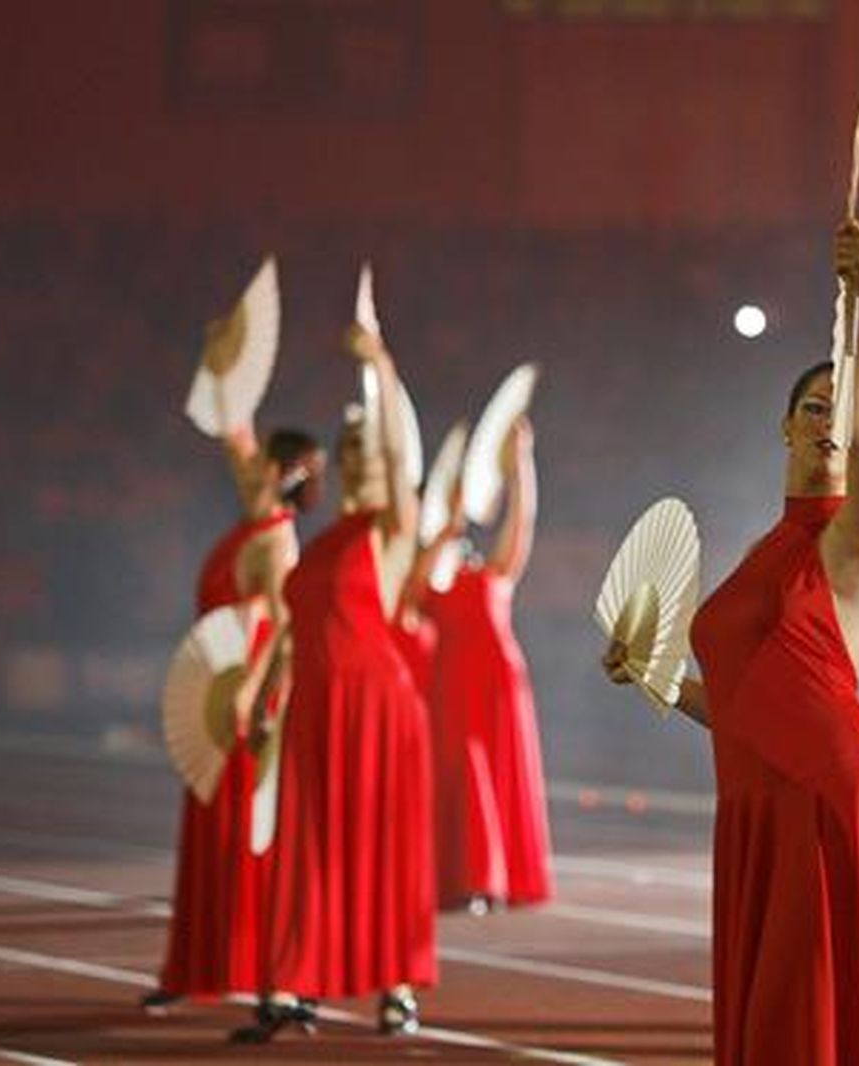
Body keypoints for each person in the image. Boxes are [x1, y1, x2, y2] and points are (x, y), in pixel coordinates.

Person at [604, 220, 859, 1063]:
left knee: (819, 1029)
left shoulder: (856, 535)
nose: (833, 421)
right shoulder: (762, 550)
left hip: (834, 803)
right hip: (758, 810)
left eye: (843, 406)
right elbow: (749, 710)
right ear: (784, 427)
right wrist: (658, 678)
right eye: (815, 406)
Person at [233, 325, 437, 1041]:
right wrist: (267, 692)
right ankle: (294, 984)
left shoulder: (392, 528)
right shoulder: (316, 541)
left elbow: (396, 450)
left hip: (379, 705)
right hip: (317, 706)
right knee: (307, 846)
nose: (356, 461)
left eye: (365, 450)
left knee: (384, 846)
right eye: (346, 451)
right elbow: (293, 627)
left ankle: (399, 987)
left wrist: (379, 365)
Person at [146, 313, 325, 1012]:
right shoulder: (254, 522)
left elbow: (286, 627)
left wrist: (251, 695)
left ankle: (259, 969)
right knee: (208, 835)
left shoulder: (277, 543)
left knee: (244, 844)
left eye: (261, 463)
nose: (246, 464)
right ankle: (198, 966)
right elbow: (233, 429)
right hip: (220, 692)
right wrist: (224, 360)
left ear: (280, 476)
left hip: (248, 698)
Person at [405, 416, 553, 913]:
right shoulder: (422, 570)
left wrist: (521, 466)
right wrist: (443, 526)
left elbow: (519, 530)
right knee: (462, 777)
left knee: (495, 778)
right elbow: (414, 590)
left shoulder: (487, 573)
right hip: (450, 687)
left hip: (500, 686)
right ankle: (466, 877)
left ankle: (495, 877)